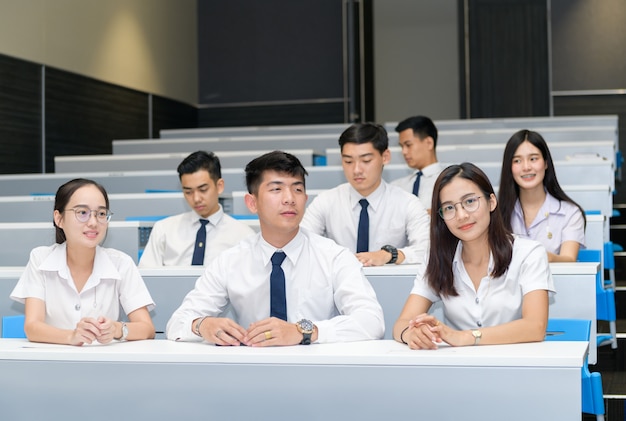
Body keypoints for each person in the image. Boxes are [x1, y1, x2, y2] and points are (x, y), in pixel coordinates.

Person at [166, 151, 384, 346]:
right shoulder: (231, 261)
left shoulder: (334, 256)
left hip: (318, 374)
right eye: (276, 189)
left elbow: (372, 321)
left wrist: (304, 331)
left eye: (297, 189)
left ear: (305, 199)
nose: (289, 199)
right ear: (252, 203)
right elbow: (177, 324)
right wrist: (202, 325)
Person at [393, 163, 554, 350]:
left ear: (491, 202)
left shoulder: (528, 253)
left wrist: (464, 337)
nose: (461, 215)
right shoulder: (438, 257)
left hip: (516, 366)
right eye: (449, 208)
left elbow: (535, 327)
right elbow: (401, 324)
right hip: (460, 369)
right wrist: (411, 333)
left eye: (470, 202)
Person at [11, 178, 155, 346]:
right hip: (52, 362)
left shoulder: (121, 263)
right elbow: (32, 327)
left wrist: (116, 329)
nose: (93, 222)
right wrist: (71, 337)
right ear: (59, 219)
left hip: (105, 364)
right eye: (82, 212)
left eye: (101, 214)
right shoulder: (40, 258)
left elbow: (147, 328)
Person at [301, 122, 429, 266]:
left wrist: (388, 255)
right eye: (348, 161)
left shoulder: (408, 203)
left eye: (366, 160)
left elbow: (426, 251)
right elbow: (301, 244)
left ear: (385, 157)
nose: (356, 170)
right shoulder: (325, 202)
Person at [139, 150, 255, 267]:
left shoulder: (243, 236)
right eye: (188, 192)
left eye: (203, 190)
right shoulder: (164, 230)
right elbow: (146, 278)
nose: (196, 198)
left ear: (219, 186)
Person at [498, 129, 586, 262]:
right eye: (517, 161)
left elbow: (569, 260)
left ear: (545, 163)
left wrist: (545, 257)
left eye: (533, 159)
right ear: (509, 167)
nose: (526, 167)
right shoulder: (497, 213)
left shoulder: (570, 213)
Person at [391, 115, 444, 212]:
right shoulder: (395, 187)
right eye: (402, 146)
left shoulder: (448, 182)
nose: (404, 151)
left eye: (408, 145)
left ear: (429, 143)